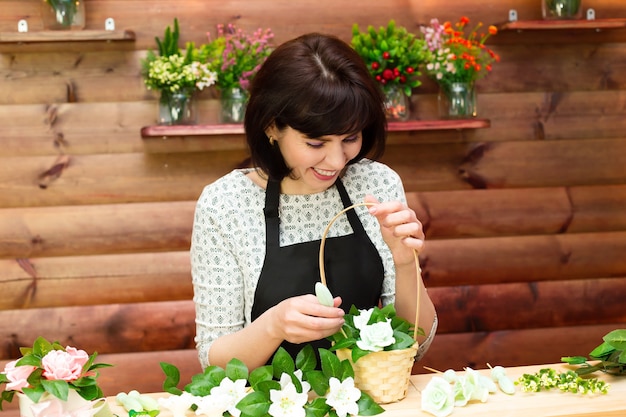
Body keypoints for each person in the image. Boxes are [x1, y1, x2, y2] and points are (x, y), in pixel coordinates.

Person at [191, 32, 437, 371]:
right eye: (316, 143)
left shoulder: (378, 184)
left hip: (370, 400)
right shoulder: (226, 205)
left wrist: (405, 263)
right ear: (271, 127)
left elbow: (415, 342)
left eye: (350, 138)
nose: (337, 161)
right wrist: (273, 326)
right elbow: (214, 363)